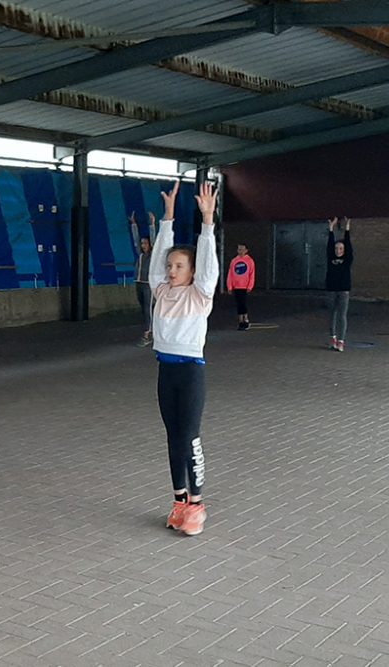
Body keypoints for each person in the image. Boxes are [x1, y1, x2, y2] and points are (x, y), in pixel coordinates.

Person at [150, 180, 218, 536]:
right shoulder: (161, 292)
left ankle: (197, 505)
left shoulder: (199, 295)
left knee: (189, 436)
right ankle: (179, 501)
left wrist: (207, 221)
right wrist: (169, 217)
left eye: (179, 267)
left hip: (191, 372)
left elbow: (209, 268)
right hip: (166, 371)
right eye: (170, 266)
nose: (172, 271)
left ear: (192, 273)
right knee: (173, 436)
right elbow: (157, 260)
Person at [326, 216, 353, 352]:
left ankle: (341, 341)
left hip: (343, 290)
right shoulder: (331, 257)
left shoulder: (347, 259)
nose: (338, 250)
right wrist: (331, 229)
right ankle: (333, 338)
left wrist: (347, 228)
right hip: (331, 289)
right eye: (337, 248)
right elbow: (329, 245)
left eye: (341, 248)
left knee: (342, 315)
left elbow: (348, 244)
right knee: (332, 314)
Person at [130, 210, 157, 347]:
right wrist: (133, 224)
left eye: (145, 244)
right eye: (142, 244)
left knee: (148, 309)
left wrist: (152, 224)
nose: (143, 246)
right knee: (143, 308)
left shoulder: (153, 254)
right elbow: (135, 239)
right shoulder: (140, 254)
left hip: (148, 284)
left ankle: (149, 333)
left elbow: (153, 238)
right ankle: (151, 329)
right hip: (139, 282)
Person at [226, 243, 255, 330]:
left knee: (243, 303)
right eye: (239, 249)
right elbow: (230, 274)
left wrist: (250, 285)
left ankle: (245, 320)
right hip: (236, 286)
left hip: (244, 286)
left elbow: (252, 274)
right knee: (239, 303)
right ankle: (240, 320)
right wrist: (229, 286)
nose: (240, 251)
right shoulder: (234, 261)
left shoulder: (250, 261)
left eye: (242, 249)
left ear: (246, 250)